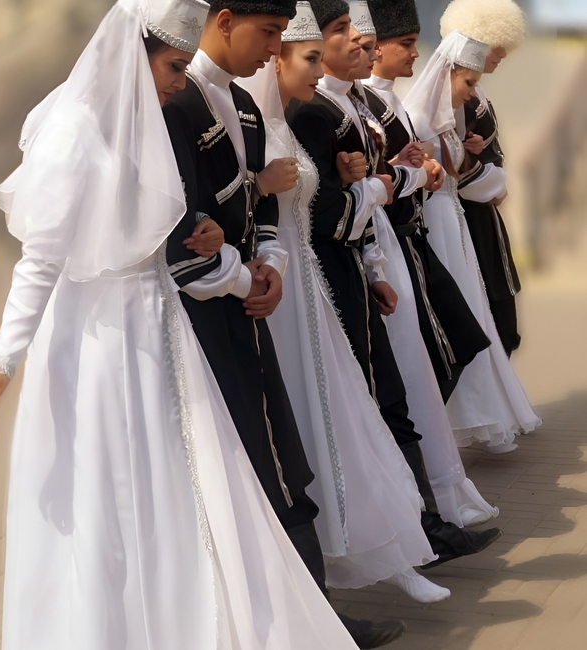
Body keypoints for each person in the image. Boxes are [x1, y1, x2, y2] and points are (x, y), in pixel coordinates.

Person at [0, 1, 364, 647]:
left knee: (185, 490)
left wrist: (209, 234)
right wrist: (1, 361)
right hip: (97, 341)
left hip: (161, 329)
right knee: (112, 495)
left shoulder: (143, 122)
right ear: (133, 56)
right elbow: (41, 261)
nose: (181, 80)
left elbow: (165, 227)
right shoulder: (72, 130)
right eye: (174, 67)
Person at [163, 1, 404, 646]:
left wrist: (269, 265)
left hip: (247, 306)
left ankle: (313, 618)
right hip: (204, 320)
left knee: (280, 461)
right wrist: (247, 259)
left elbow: (262, 213)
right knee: (243, 468)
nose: (274, 50)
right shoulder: (177, 105)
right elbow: (182, 228)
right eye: (268, 33)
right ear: (224, 21)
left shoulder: (243, 105)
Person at [239, 0, 448, 606]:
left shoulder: (288, 122)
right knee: (317, 420)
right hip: (282, 293)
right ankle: (335, 573)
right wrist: (263, 187)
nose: (316, 70)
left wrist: (357, 178)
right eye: (308, 57)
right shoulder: (265, 125)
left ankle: (392, 548)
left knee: (350, 412)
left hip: (309, 283)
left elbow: (317, 204)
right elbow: (270, 212)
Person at [288, 0, 501, 532]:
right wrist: (392, 182)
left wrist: (389, 182)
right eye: (343, 34)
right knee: (386, 388)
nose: (359, 44)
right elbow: (327, 209)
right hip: (339, 261)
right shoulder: (315, 112)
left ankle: (424, 516)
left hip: (374, 250)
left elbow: (372, 183)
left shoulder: (352, 103)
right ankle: (416, 521)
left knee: (409, 378)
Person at [359, 0, 499, 526]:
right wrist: (416, 173)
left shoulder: (382, 102)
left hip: (406, 240)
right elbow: (372, 180)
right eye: (404, 43)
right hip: (393, 242)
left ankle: (436, 487)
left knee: (454, 343)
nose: (414, 53)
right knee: (431, 357)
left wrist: (422, 170)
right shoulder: (358, 104)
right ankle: (425, 497)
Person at [403, 29, 541, 453]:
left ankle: (480, 412)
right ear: (446, 74)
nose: (471, 91)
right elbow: (432, 176)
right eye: (467, 82)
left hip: (455, 222)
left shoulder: (450, 121)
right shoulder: (418, 118)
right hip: (436, 223)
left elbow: (461, 171)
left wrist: (470, 153)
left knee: (477, 312)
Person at [440, 0, 527, 357]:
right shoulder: (458, 98)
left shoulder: (476, 94)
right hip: (470, 218)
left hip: (485, 215)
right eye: (496, 45)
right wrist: (496, 182)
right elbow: (458, 169)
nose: (503, 54)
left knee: (502, 317)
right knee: (491, 316)